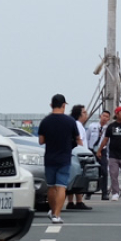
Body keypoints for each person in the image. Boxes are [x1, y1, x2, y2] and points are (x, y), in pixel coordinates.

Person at [35, 94, 81, 224]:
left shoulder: (45, 121)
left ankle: (52, 210)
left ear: (51, 105)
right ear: (64, 105)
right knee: (61, 187)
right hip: (64, 158)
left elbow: (41, 141)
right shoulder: (70, 121)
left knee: (51, 187)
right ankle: (56, 215)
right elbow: (77, 139)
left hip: (49, 158)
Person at [67, 105, 92, 211]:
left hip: (74, 154)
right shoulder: (78, 125)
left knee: (74, 177)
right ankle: (79, 201)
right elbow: (79, 140)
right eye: (84, 112)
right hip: (79, 155)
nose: (86, 114)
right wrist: (84, 153)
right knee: (79, 177)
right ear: (79, 114)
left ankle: (71, 202)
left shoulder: (77, 124)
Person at [86, 108, 109, 201]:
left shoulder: (108, 129)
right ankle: (88, 192)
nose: (104, 118)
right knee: (91, 172)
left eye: (107, 117)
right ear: (100, 116)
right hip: (92, 151)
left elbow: (109, 142)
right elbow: (87, 138)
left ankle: (104, 193)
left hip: (102, 151)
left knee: (104, 172)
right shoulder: (92, 126)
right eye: (103, 116)